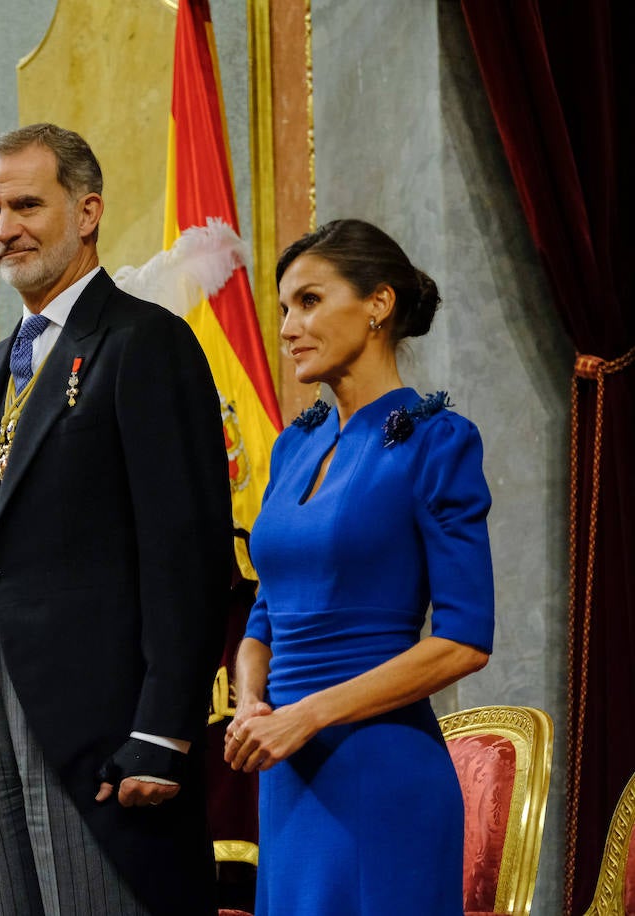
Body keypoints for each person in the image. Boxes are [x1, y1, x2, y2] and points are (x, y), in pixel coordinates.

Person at [0, 123, 231, 915]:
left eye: (27, 205)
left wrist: (165, 728)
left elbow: (189, 554)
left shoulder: (145, 342)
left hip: (107, 727)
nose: (4, 229)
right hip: (2, 720)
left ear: (87, 211)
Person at [224, 219, 494, 915]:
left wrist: (307, 715)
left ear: (378, 304)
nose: (288, 327)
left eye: (309, 302)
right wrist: (254, 699)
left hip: (381, 775)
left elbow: (464, 641)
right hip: (287, 776)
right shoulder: (293, 446)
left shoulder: (438, 443)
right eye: (284, 308)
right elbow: (266, 611)